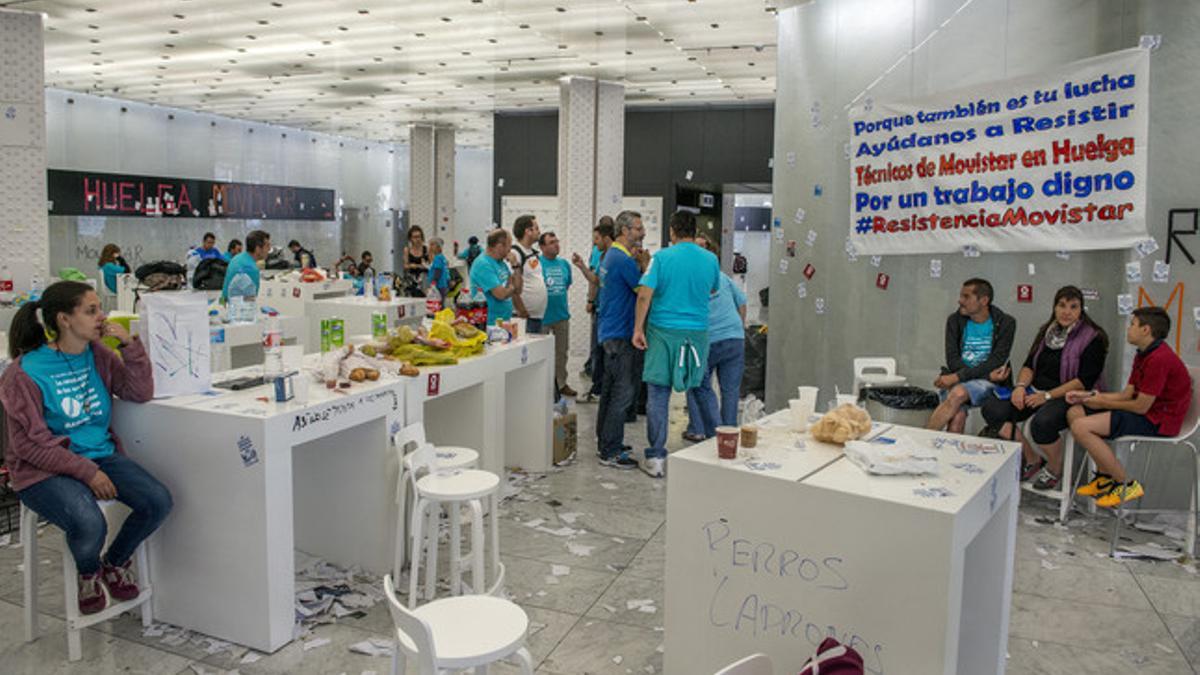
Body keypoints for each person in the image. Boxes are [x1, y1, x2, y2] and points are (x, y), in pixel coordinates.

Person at [0, 281, 172, 616]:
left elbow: (139, 391)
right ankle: (89, 572)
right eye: (91, 310)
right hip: (42, 471)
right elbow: (28, 446)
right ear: (64, 319)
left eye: (99, 310)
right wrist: (87, 472)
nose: (101, 317)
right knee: (90, 522)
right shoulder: (22, 374)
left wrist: (129, 346)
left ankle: (115, 562)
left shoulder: (99, 355)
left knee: (158, 501)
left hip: (101, 455)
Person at [979, 286, 1108, 490]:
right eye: (1062, 305)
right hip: (1035, 391)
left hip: (1069, 395)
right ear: (1054, 307)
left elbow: (1084, 381)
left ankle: (1055, 468)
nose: (1066, 312)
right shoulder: (1047, 331)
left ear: (1081, 310)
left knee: (1042, 423)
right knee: (992, 408)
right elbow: (1029, 365)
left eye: (1073, 307)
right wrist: (1020, 387)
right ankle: (1032, 458)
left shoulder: (1094, 337)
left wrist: (1047, 396)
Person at [1067, 307, 1193, 508]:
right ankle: (1105, 478)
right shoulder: (1143, 354)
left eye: (1132, 324)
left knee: (1081, 427)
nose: (1128, 329)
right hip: (1144, 412)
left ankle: (1126, 484)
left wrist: (1102, 403)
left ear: (1146, 330)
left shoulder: (1159, 359)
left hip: (1158, 421)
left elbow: (1142, 407)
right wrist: (1090, 396)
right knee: (1076, 412)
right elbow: (1127, 394)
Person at [633, 211, 721, 478]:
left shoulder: (661, 257)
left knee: (659, 393)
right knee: (702, 388)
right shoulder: (711, 259)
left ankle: (657, 458)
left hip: (663, 332)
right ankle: (719, 448)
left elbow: (644, 295)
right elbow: (713, 290)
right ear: (694, 232)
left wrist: (638, 328)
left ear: (672, 231)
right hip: (697, 334)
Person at [926, 278, 1016, 433]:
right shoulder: (954, 321)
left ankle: (923, 440)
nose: (960, 301)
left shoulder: (1006, 323)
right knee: (957, 416)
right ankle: (949, 456)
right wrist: (984, 376)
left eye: (966, 297)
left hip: (990, 385)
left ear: (984, 300)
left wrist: (957, 378)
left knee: (958, 392)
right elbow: (953, 360)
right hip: (977, 377)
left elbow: (997, 361)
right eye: (961, 296)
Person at [595, 211, 645, 469]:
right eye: (638, 228)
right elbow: (643, 291)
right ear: (624, 231)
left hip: (608, 331)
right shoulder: (623, 260)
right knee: (622, 395)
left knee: (609, 392)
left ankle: (605, 442)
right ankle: (611, 450)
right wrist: (645, 266)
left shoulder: (610, 255)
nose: (642, 232)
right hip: (621, 334)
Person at [684, 249, 747, 442]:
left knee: (699, 386)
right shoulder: (723, 278)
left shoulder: (691, 282)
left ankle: (707, 432)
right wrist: (739, 327)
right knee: (730, 390)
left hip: (707, 340)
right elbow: (742, 302)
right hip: (734, 338)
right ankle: (728, 436)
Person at [574, 219, 614, 404]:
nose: (594, 242)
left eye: (597, 238)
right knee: (597, 351)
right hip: (601, 309)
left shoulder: (615, 257)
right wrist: (582, 266)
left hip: (610, 314)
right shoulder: (602, 255)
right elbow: (596, 280)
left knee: (603, 352)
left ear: (606, 237)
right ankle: (599, 388)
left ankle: (602, 390)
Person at [538, 231, 574, 396]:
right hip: (542, 317)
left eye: (557, 241)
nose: (556, 244)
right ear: (542, 247)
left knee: (561, 353)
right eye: (551, 242)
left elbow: (566, 286)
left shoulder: (564, 264)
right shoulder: (536, 264)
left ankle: (561, 384)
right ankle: (543, 387)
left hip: (561, 316)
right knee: (542, 355)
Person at [468, 229, 522, 325]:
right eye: (509, 245)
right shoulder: (483, 264)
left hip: (504, 320)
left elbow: (518, 289)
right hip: (489, 323)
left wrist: (516, 266)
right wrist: (511, 288)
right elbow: (501, 294)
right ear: (500, 247)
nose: (510, 249)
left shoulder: (501, 263)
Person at [510, 215, 548, 333]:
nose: (539, 232)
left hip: (536, 316)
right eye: (536, 228)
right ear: (528, 231)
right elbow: (511, 285)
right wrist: (521, 310)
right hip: (524, 317)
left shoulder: (533, 253)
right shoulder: (515, 253)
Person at [222, 229, 270, 302]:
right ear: (258, 249)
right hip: (235, 309)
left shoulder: (237, 258)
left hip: (224, 303)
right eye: (267, 246)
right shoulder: (251, 268)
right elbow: (250, 302)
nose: (269, 249)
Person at [427, 239, 450, 303]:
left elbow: (438, 271)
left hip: (438, 285)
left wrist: (433, 282)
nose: (430, 247)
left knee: (438, 303)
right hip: (443, 284)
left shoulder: (437, 258)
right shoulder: (442, 257)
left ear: (438, 247)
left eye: (432, 245)